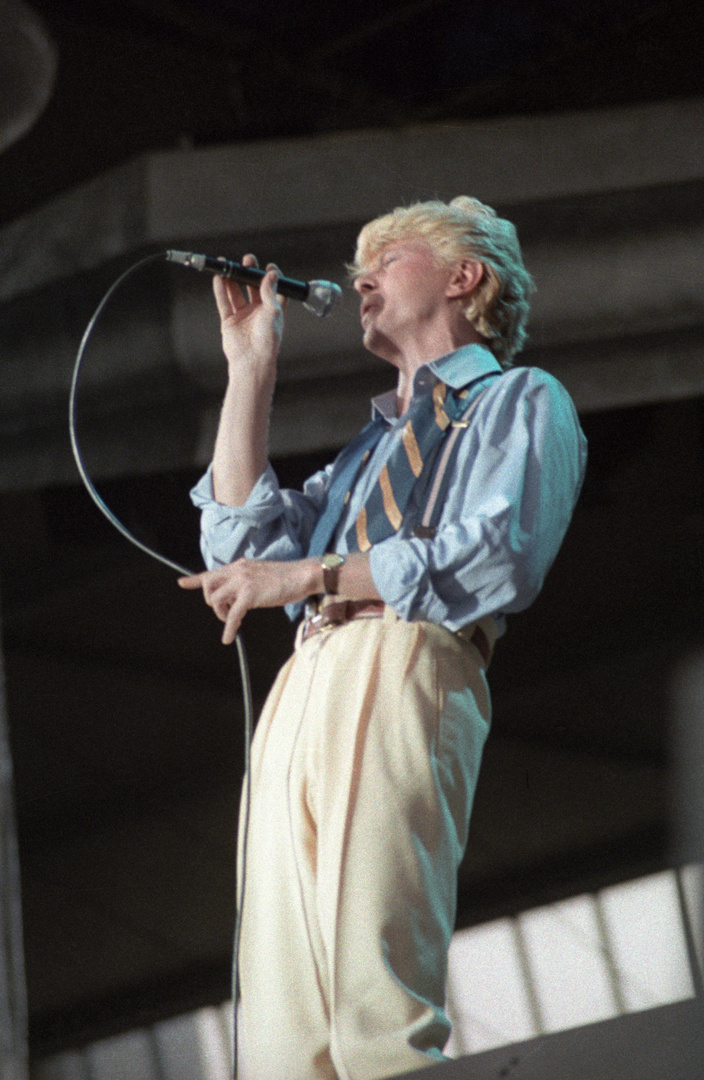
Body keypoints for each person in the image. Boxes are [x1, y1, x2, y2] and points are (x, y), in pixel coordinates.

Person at [178, 196, 587, 1080]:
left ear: (463, 276)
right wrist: (250, 370)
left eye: (387, 256)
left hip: (410, 653)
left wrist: (315, 576)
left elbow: (498, 556)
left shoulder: (520, 400)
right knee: (282, 1002)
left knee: (375, 980)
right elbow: (241, 548)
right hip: (308, 669)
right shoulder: (369, 449)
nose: (359, 276)